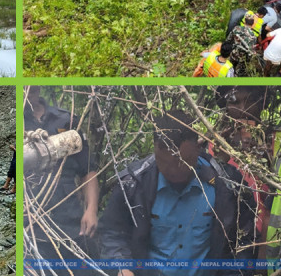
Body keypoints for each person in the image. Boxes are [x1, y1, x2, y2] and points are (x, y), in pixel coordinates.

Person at [100, 111, 253, 276]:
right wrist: (122, 267)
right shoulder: (133, 184)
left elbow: (243, 243)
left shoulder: (228, 185)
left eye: (182, 163)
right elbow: (112, 232)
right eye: (164, 163)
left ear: (197, 149)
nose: (173, 171)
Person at [24, 86, 99, 272]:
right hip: (31, 227)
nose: (27, 94)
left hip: (70, 221)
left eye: (31, 90)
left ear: (38, 89)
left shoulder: (66, 120)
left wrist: (91, 209)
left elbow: (87, 170)